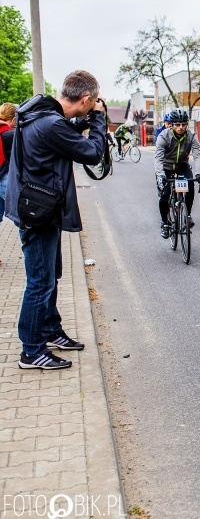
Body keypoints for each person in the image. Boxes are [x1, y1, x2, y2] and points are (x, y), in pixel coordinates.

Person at [4, 70, 106, 370]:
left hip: (41, 207)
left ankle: (49, 329)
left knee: (51, 275)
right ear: (85, 98)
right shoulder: (49, 123)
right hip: (38, 211)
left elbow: (63, 133)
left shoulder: (43, 114)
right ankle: (31, 351)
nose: (93, 107)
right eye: (92, 103)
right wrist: (98, 121)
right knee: (40, 282)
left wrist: (82, 121)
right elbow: (92, 152)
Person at [154, 109, 200, 238]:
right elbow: (158, 159)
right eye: (177, 124)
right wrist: (160, 176)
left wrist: (199, 173)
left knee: (190, 184)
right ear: (172, 124)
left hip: (182, 166)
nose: (181, 127)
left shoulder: (191, 135)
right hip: (165, 168)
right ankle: (165, 223)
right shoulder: (163, 136)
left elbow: (197, 156)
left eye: (183, 124)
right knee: (165, 194)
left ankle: (187, 215)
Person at [0, 102, 18, 267]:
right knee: (22, 217)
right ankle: (32, 253)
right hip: (5, 179)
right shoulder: (11, 134)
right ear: (13, 119)